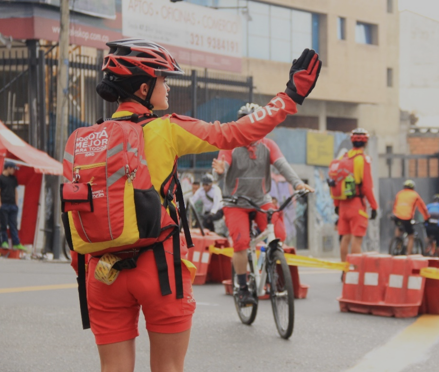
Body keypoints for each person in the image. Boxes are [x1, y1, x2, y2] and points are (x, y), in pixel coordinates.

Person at [71, 39, 321, 372]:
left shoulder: (84, 140)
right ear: (144, 87)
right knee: (168, 368)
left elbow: (77, 209)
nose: (168, 85)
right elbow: (236, 132)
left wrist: (85, 268)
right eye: (163, 79)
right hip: (159, 269)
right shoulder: (167, 129)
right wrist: (290, 96)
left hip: (101, 271)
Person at [212, 103, 315, 305]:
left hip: (261, 200)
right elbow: (221, 169)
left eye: (257, 124)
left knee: (279, 235)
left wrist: (298, 184)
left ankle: (268, 270)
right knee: (241, 243)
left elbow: (282, 166)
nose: (253, 129)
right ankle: (242, 288)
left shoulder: (268, 145)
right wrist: (219, 172)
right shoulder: (230, 144)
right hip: (235, 203)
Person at [333, 128, 378, 264]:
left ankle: (344, 270)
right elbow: (366, 187)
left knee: (344, 239)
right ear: (366, 143)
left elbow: (336, 182)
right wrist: (374, 206)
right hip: (357, 205)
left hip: (342, 206)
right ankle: (356, 272)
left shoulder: (343, 158)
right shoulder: (362, 159)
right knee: (357, 240)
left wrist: (336, 205)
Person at [391, 179, 430, 254]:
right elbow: (422, 208)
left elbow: (395, 205)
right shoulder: (415, 195)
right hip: (407, 218)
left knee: (399, 228)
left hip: (397, 216)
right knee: (411, 236)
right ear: (413, 187)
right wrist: (426, 218)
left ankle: (397, 243)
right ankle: (409, 255)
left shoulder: (399, 194)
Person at [0, 161, 25, 250]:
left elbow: (15, 190)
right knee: (3, 225)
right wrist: (0, 204)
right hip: (4, 205)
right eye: (13, 168)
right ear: (8, 168)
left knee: (13, 225)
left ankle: (16, 243)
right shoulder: (1, 178)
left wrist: (16, 203)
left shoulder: (13, 179)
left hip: (13, 205)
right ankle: (4, 242)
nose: (14, 170)